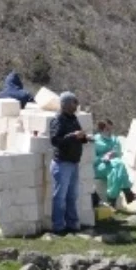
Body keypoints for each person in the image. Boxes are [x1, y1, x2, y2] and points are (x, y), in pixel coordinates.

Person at [49, 91, 91, 234]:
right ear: (65, 104)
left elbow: (78, 136)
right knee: (60, 196)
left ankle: (72, 224)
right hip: (62, 163)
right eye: (74, 102)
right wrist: (73, 136)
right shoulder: (57, 119)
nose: (76, 105)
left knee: (72, 196)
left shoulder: (73, 118)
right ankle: (59, 226)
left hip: (73, 162)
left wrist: (84, 138)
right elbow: (55, 141)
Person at [93, 119, 136, 206]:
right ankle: (127, 193)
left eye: (111, 129)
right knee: (119, 165)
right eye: (107, 129)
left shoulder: (115, 139)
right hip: (99, 167)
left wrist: (111, 155)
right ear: (101, 129)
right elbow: (92, 159)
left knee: (116, 170)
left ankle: (112, 201)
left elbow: (118, 153)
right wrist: (103, 158)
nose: (110, 132)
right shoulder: (95, 140)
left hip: (113, 166)